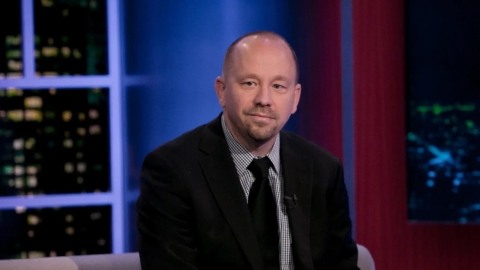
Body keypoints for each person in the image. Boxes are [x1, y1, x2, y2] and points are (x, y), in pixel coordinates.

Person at [136, 31, 359, 270]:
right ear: (222, 91)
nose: (264, 99)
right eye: (249, 83)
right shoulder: (171, 171)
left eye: (278, 86)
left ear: (295, 98)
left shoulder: (323, 170)